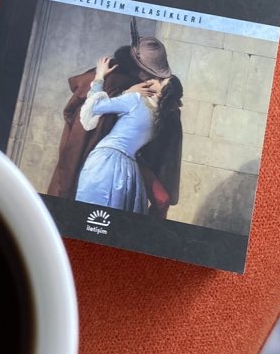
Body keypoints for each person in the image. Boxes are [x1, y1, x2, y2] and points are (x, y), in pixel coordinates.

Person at [47, 19, 182, 214]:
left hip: (118, 159)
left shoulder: (144, 97)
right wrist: (124, 92)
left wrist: (106, 81)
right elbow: (83, 109)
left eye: (158, 79)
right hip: (107, 153)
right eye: (152, 75)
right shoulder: (123, 83)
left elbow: (98, 107)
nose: (152, 80)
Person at [75, 54, 183, 214]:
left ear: (160, 93)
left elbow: (94, 107)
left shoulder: (136, 99)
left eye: (160, 81)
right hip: (129, 170)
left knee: (92, 211)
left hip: (106, 162)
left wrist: (99, 76)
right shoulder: (160, 119)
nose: (155, 79)